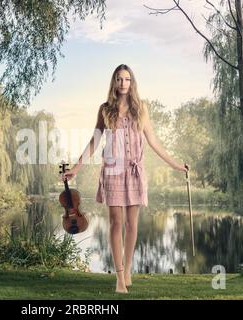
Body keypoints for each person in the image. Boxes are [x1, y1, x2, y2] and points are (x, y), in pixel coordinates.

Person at [62, 64, 188, 294]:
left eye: (127, 79)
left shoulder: (141, 109)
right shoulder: (105, 109)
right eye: (119, 79)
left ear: (132, 82)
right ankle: (119, 277)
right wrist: (76, 168)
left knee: (132, 224)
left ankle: (128, 268)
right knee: (116, 223)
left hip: (134, 172)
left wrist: (176, 165)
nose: (123, 83)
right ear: (114, 82)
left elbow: (154, 141)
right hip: (112, 171)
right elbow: (95, 141)